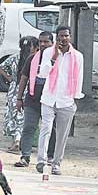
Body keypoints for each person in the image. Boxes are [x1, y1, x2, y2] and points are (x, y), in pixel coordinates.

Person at [34, 25, 84, 176]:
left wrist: (75, 98)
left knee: (62, 135)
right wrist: (54, 58)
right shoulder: (48, 52)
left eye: (66, 36)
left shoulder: (77, 56)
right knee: (46, 129)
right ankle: (41, 161)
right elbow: (42, 74)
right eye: (60, 36)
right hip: (49, 97)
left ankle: (56, 163)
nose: (63, 39)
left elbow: (79, 77)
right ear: (56, 37)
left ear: (70, 37)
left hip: (66, 100)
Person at [14, 30, 56, 167]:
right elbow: (24, 78)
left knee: (50, 129)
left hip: (50, 101)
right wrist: (19, 98)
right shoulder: (32, 59)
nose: (43, 44)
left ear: (52, 43)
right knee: (28, 128)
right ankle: (25, 156)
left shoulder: (57, 60)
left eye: (46, 42)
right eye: (40, 42)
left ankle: (49, 156)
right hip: (32, 100)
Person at [1, 36, 36, 149]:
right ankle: (19, 140)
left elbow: (1, 67)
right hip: (27, 89)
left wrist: (9, 77)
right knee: (23, 116)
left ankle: (15, 140)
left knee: (13, 114)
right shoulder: (33, 59)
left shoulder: (15, 57)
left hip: (14, 89)